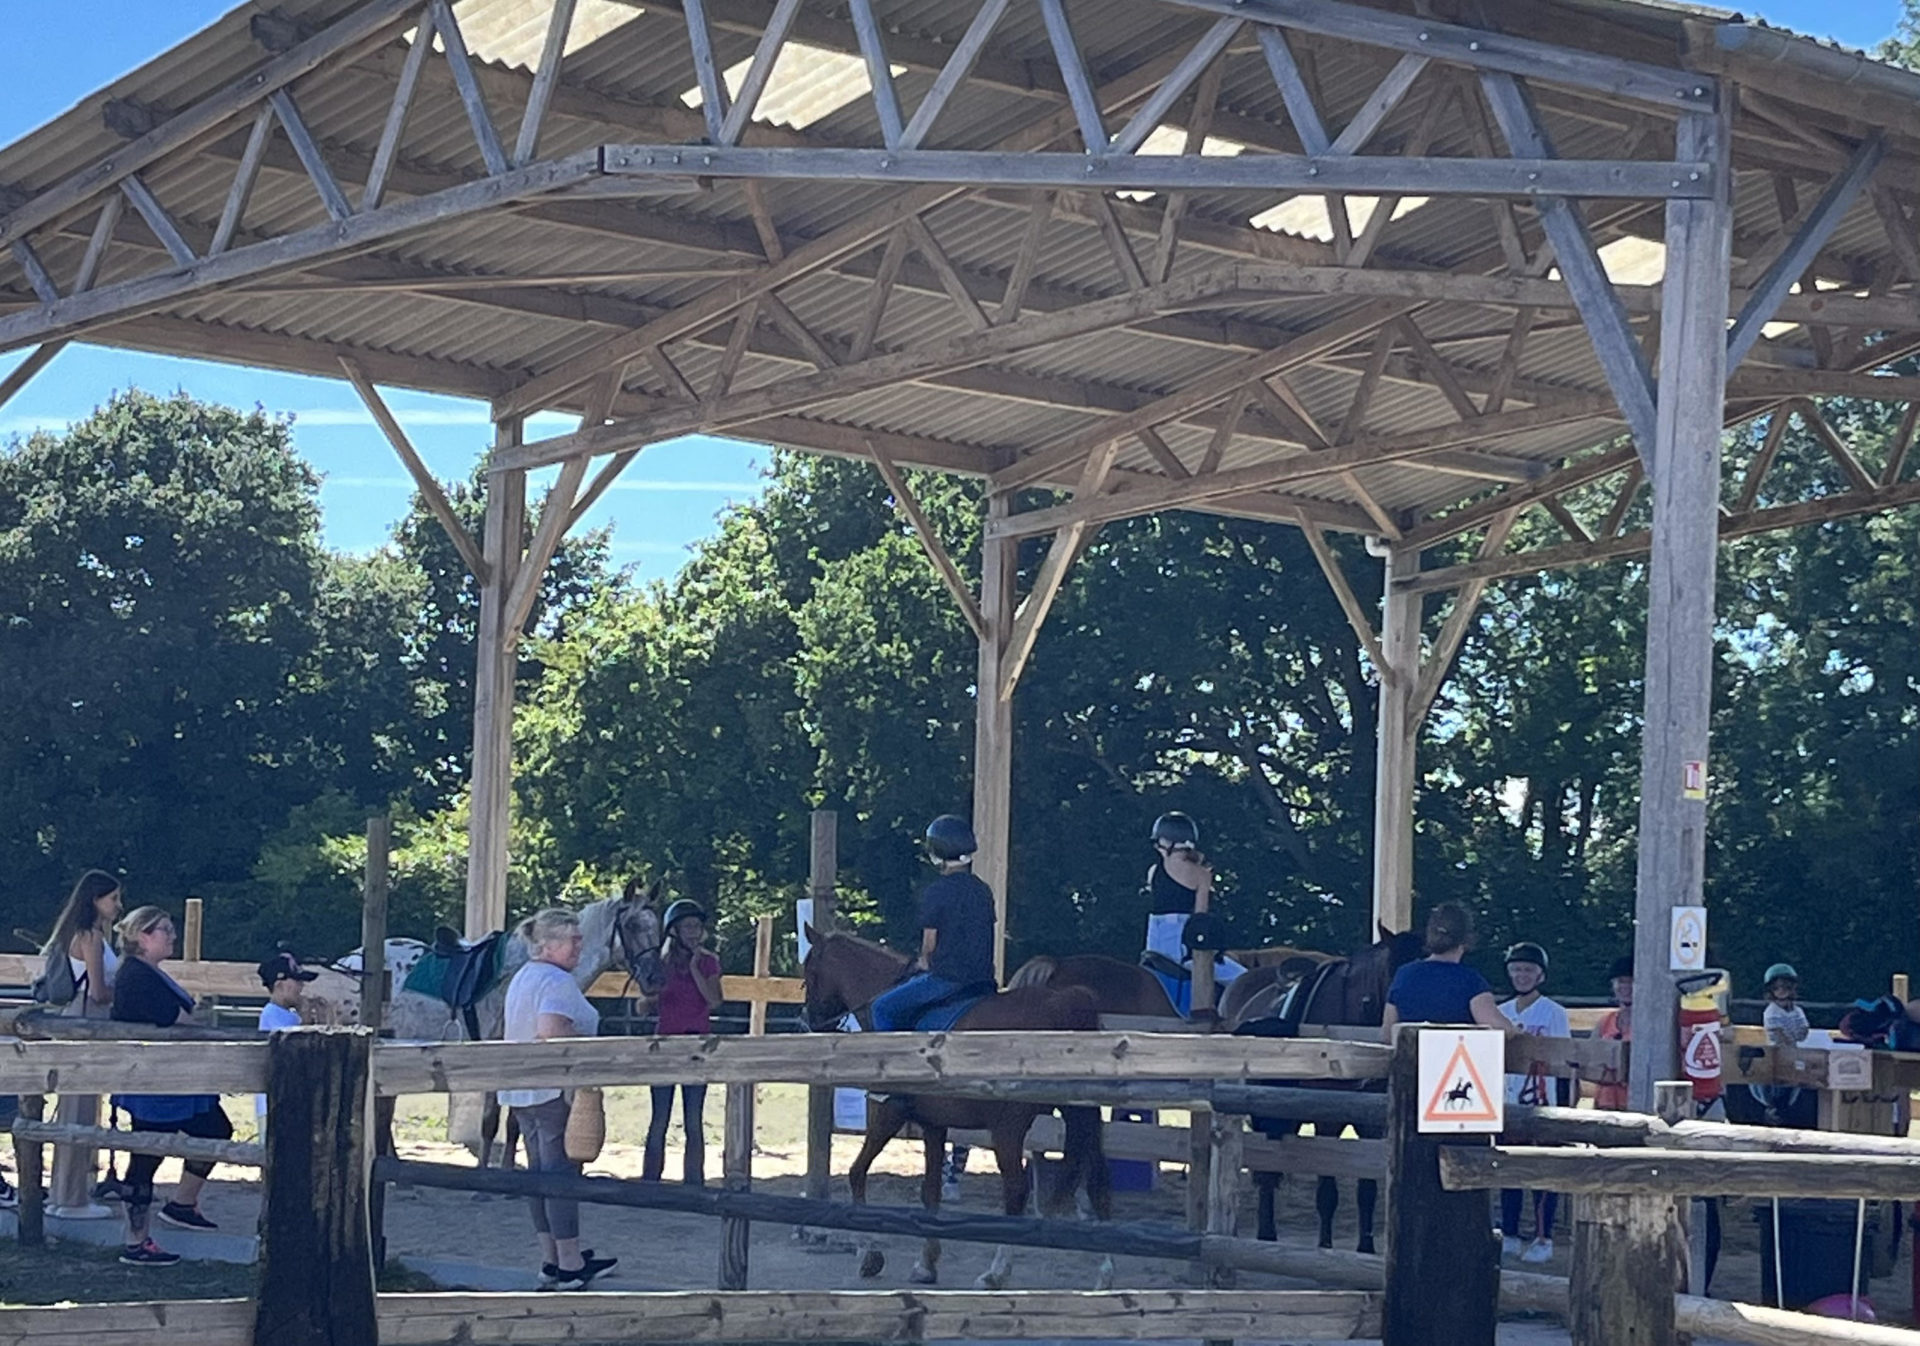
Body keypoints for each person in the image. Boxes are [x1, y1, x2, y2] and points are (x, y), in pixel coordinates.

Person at [498, 907, 617, 1291]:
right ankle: (569, 1263)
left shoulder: (523, 977)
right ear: (548, 945)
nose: (579, 947)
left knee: (538, 1173)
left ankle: (551, 1258)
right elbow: (552, 1031)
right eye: (572, 940)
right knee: (560, 1174)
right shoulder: (557, 981)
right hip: (552, 1090)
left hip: (520, 1089)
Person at [110, 906, 233, 1264]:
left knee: (214, 1129)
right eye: (165, 930)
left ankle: (181, 1204)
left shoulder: (148, 973)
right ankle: (137, 1241)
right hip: (156, 1082)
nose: (172, 936)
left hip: (176, 1080)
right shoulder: (136, 976)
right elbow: (174, 1019)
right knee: (147, 1155)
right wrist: (199, 1020)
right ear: (143, 936)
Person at [870, 816, 997, 1031]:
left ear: (937, 852)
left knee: (882, 1008)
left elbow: (929, 945)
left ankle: (895, 1059)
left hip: (947, 979)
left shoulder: (937, 892)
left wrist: (922, 961)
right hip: (983, 980)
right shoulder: (982, 890)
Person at [47, 870, 124, 1219]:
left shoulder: (80, 935)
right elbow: (97, 991)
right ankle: (71, 1198)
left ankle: (66, 1193)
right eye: (113, 899)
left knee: (77, 1106)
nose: (118, 906)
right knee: (79, 1107)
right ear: (96, 900)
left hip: (79, 1017)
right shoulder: (90, 937)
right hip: (88, 1018)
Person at [1497, 942, 1570, 1265]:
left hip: (1543, 1096)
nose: (1521, 975)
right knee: (1510, 1167)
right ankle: (1510, 1231)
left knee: (1543, 1169)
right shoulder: (1501, 1012)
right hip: (1508, 1097)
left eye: (1527, 970)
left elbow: (1566, 1060)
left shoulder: (1553, 1013)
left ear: (1540, 975)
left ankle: (1544, 1235)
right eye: (1516, 969)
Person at [644, 899, 723, 1185]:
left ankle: (694, 1181)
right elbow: (649, 1000)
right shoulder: (660, 962)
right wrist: (648, 1002)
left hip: (696, 1045)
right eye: (688, 927)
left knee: (693, 1119)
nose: (694, 932)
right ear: (674, 930)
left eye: (697, 927)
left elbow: (714, 1000)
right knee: (659, 1118)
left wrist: (694, 969)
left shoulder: (708, 961)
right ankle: (650, 1180)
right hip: (665, 1043)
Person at [1143, 814, 1246, 989]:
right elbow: (1200, 918)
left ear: (1168, 842)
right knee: (1243, 979)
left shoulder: (1153, 871)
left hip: (1154, 942)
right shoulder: (1202, 874)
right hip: (1181, 940)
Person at [1381, 903, 1516, 1036]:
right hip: (1456, 1057)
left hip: (1411, 1057)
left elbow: (1387, 1033)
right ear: (1467, 939)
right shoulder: (1470, 981)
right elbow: (1497, 1027)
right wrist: (1516, 1030)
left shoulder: (1403, 975)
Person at [254, 952, 314, 1140]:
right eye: (296, 981)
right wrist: (306, 1020)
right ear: (279, 985)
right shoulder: (271, 1015)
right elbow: (295, 1048)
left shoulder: (290, 1016)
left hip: (290, 1099)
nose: (301, 986)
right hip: (275, 1102)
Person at [1587, 957, 1634, 1111]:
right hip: (1604, 1105)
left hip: (1635, 1105)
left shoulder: (1651, 1024)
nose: (1625, 987)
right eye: (1620, 981)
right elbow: (1588, 1061)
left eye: (1631, 981)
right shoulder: (1605, 1022)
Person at [1761, 964, 1809, 1046]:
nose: (1781, 990)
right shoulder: (1771, 1012)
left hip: (1795, 1051)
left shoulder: (1798, 1011)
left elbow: (1802, 1035)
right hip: (1776, 1053)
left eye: (1785, 986)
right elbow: (1780, 1038)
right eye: (1775, 987)